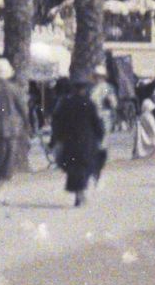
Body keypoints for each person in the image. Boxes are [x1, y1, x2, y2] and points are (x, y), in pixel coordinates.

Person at [0, 57, 32, 205]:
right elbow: (23, 110)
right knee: (8, 162)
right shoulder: (15, 89)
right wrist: (28, 126)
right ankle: (1, 193)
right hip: (12, 130)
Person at [48, 78, 105, 207]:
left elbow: (58, 123)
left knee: (73, 169)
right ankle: (82, 193)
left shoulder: (66, 103)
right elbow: (96, 122)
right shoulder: (89, 103)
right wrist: (100, 137)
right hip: (86, 140)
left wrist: (56, 139)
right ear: (84, 89)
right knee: (85, 167)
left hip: (70, 141)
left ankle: (78, 194)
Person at [87, 73, 120, 186]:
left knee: (99, 145)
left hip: (101, 119)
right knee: (99, 145)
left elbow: (113, 103)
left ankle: (97, 173)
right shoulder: (93, 88)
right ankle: (96, 172)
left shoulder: (103, 88)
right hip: (97, 119)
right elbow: (114, 104)